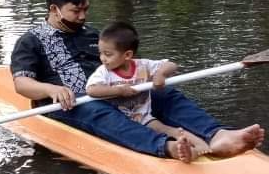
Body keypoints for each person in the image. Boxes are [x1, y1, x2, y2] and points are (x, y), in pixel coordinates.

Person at [9, 0, 265, 163]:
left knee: (162, 93)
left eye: (85, 9)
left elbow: (127, 62)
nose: (83, 16)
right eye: (76, 11)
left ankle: (217, 134)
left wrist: (145, 78)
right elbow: (22, 83)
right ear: (54, 9)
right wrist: (51, 88)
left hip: (112, 89)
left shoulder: (93, 35)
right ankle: (168, 147)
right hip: (73, 103)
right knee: (96, 110)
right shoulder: (30, 41)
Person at [85, 21, 208, 161]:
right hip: (118, 119)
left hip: (143, 117)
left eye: (108, 54)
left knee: (165, 128)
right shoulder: (104, 72)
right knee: (143, 133)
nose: (102, 59)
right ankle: (172, 148)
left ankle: (200, 147)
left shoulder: (143, 66)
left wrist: (160, 74)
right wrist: (118, 90)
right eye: (100, 53)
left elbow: (171, 65)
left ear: (127, 55)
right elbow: (92, 90)